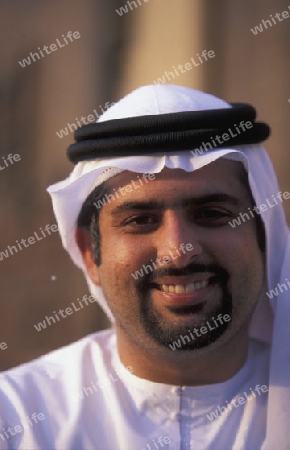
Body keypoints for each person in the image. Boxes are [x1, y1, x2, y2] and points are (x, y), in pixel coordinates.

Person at [0, 84, 289, 450]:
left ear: (265, 238)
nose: (179, 252)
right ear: (90, 252)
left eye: (212, 214)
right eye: (140, 220)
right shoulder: (16, 418)